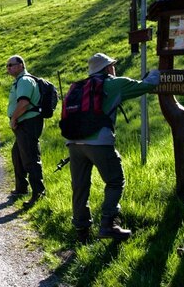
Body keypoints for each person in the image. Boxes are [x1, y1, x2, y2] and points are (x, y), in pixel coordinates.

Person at [66, 53, 160, 244]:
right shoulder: (114, 84)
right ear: (108, 68)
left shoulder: (78, 86)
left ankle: (81, 230)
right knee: (115, 180)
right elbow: (148, 85)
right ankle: (109, 223)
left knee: (80, 186)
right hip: (99, 142)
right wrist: (159, 71)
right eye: (113, 65)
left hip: (74, 143)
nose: (114, 68)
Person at [6, 55, 46, 208]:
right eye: (7, 66)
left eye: (11, 65)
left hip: (28, 122)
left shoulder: (24, 80)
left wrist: (13, 118)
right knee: (17, 154)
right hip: (24, 122)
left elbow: (24, 103)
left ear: (21, 65)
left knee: (30, 158)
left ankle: (39, 193)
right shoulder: (19, 81)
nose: (8, 68)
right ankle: (21, 188)